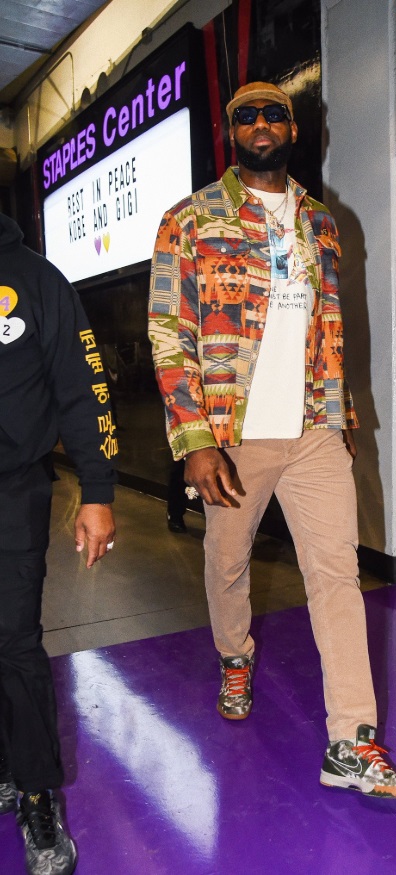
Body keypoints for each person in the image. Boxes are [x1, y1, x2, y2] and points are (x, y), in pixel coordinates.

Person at [148, 82, 396, 799]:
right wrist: (193, 438)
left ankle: (350, 741)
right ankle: (233, 656)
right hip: (232, 432)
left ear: (296, 129)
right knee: (227, 561)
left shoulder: (322, 223)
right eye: (246, 115)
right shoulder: (190, 218)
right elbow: (169, 333)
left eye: (274, 114)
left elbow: (331, 331)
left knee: (335, 573)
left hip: (312, 429)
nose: (261, 124)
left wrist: (342, 420)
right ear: (229, 130)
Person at [0, 212, 117, 874]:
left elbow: (84, 387)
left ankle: (39, 797)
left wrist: (97, 491)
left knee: (13, 640)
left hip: (12, 491)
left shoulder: (37, 280)